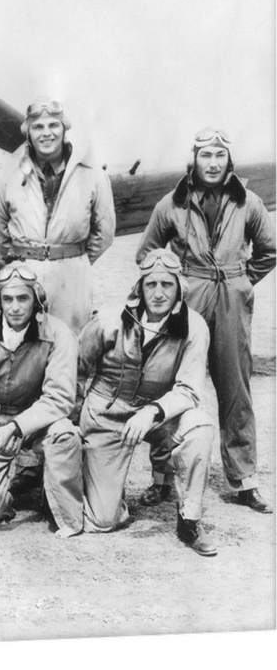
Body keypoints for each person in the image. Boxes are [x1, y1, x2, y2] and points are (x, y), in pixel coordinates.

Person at [136, 128, 276, 513]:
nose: (212, 163)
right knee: (168, 382)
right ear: (193, 160)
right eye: (205, 155)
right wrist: (175, 281)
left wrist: (243, 282)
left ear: (229, 161)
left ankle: (245, 480)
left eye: (219, 155)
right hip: (189, 296)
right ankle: (163, 477)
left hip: (232, 295)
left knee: (236, 388)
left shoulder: (248, 203)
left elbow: (268, 250)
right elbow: (147, 252)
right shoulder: (172, 203)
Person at [77, 249, 216, 556]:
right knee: (102, 519)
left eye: (167, 284)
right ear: (139, 287)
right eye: (150, 284)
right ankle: (108, 488)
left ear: (179, 288)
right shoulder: (110, 320)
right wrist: (73, 419)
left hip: (157, 413)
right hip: (108, 413)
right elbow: (77, 368)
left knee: (200, 426)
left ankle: (189, 519)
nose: (158, 293)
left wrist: (152, 412)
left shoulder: (193, 327)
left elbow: (190, 389)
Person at [0, 264, 83, 537]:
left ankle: (52, 491)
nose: (15, 307)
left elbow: (60, 398)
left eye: (23, 298)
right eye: (8, 299)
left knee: (65, 433)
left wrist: (17, 427)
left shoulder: (58, 334)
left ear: (36, 300)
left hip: (37, 420)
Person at [0, 97, 115, 333]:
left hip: (72, 278)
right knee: (25, 347)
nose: (46, 133)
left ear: (64, 129)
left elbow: (105, 231)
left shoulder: (92, 175)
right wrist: (21, 260)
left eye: (53, 126)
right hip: (25, 273)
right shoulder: (8, 174)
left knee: (72, 347)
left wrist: (76, 261)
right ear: (28, 133)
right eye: (38, 127)